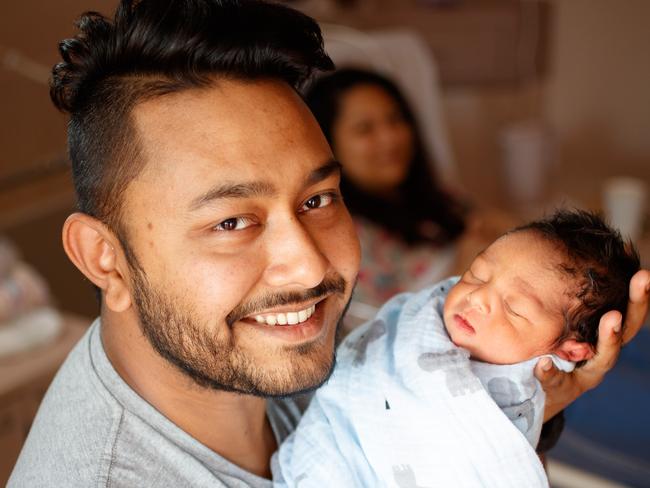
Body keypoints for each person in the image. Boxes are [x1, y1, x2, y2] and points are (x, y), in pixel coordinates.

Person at [7, 1, 650, 486]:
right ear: (103, 257)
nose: (310, 263)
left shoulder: (282, 344)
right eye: (232, 222)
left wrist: (527, 408)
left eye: (317, 200)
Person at [275, 210, 641, 487]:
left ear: (569, 351)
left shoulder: (531, 390)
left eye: (514, 308)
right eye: (477, 274)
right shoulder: (420, 321)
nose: (478, 297)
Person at [304, 68, 508, 313]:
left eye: (395, 120)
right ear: (327, 142)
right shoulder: (342, 237)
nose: (390, 137)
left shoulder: (442, 198)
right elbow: (380, 333)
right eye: (365, 129)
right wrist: (465, 265)